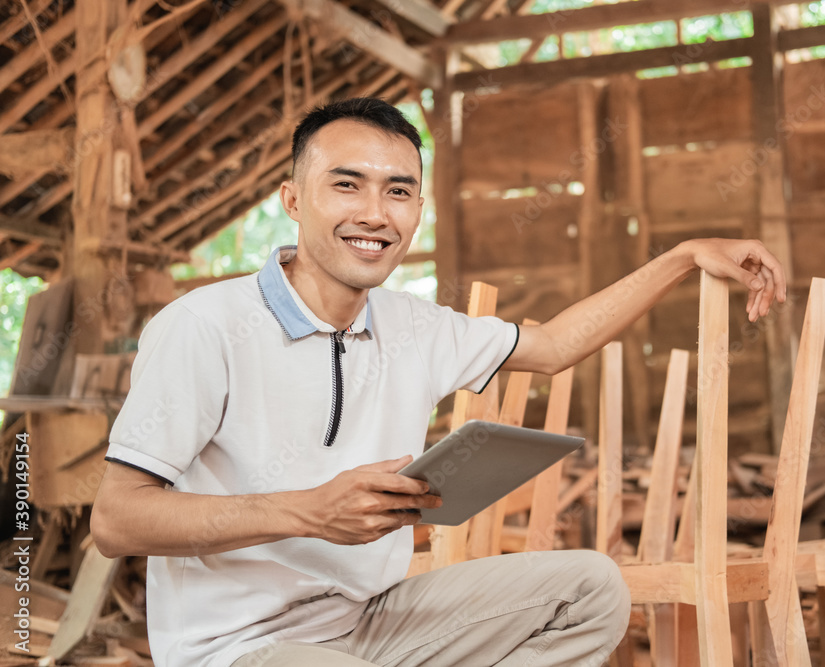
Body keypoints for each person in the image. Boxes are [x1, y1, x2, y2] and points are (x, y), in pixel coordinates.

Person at [91, 97, 786, 667]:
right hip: (242, 646)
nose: (375, 213)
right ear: (292, 199)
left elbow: (552, 346)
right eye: (346, 184)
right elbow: (117, 519)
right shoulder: (203, 326)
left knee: (591, 589)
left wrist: (686, 255)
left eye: (398, 191)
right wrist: (308, 510)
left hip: (373, 620)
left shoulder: (414, 325)